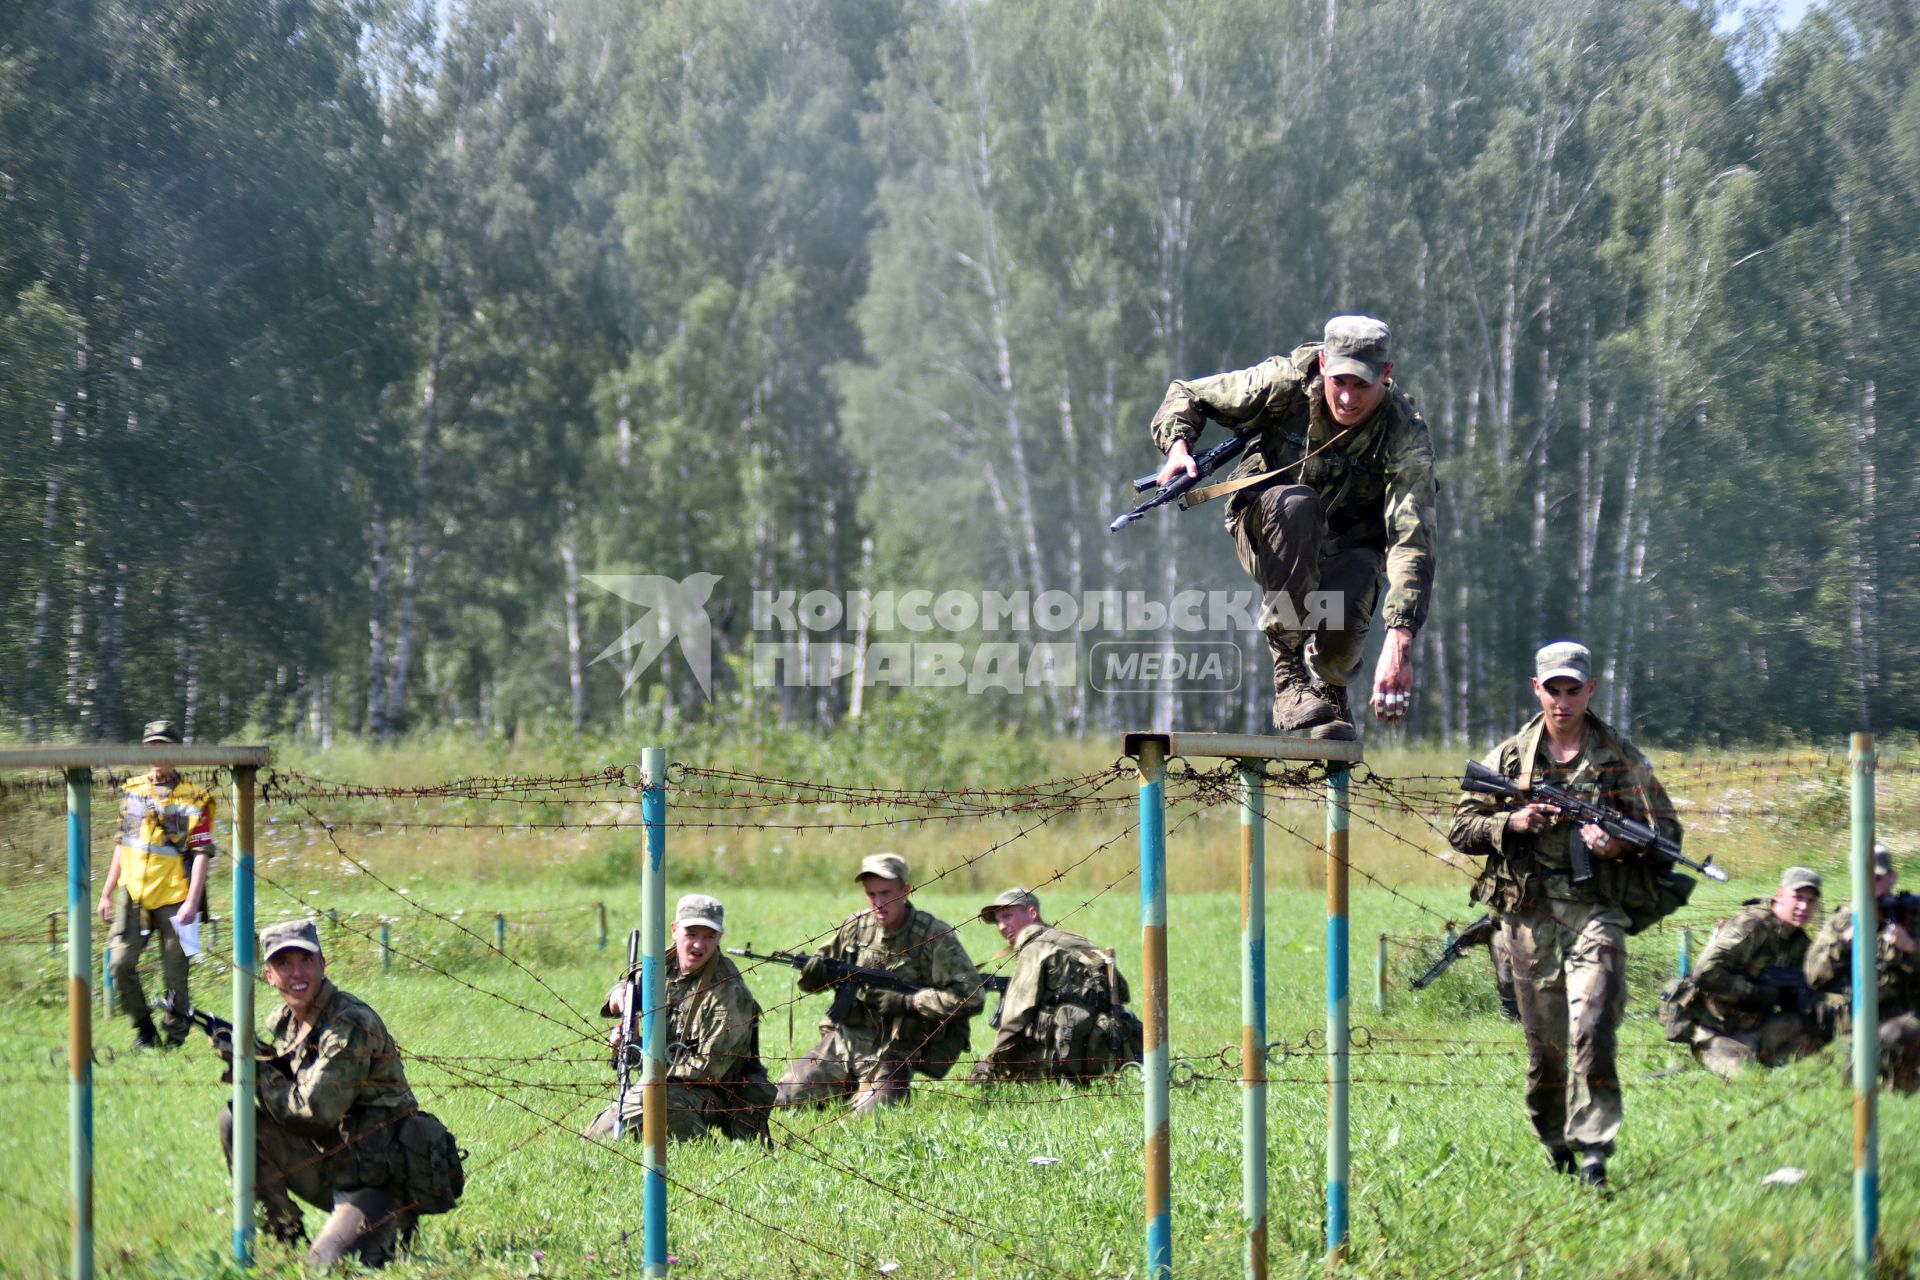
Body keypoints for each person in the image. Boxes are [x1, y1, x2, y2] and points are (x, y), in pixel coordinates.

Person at [1448, 641, 1683, 1189]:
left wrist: (1616, 846)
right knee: (1546, 1052)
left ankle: (1595, 1150)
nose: (1562, 700)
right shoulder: (1511, 758)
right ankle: (1554, 1141)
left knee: (1594, 1029)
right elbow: (1462, 830)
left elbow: (1665, 837)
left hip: (1595, 911)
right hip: (1527, 917)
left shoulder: (1621, 758)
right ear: (1537, 689)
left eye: (1572, 689)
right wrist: (1514, 823)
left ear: (1590, 690)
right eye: (1552, 689)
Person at [1148, 315, 1438, 739]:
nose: (1348, 398)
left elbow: (1412, 537)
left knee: (1360, 576)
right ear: (1322, 363)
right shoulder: (1283, 383)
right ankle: (1288, 678)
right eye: (1340, 380)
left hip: (1345, 550)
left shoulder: (1404, 432)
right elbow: (1187, 394)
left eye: (1363, 385)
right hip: (1269, 529)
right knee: (1298, 505)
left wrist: (1400, 639)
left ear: (1386, 375)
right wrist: (1178, 448)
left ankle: (1330, 688)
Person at [219, 919, 424, 1269]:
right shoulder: (286, 1022)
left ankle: (388, 1231)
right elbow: (293, 1080)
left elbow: (315, 1111)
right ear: (269, 975)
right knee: (236, 1119)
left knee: (321, 1266)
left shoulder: (350, 1023)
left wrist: (254, 1065)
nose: (296, 972)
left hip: (381, 1179)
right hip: (332, 1164)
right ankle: (286, 1233)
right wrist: (251, 1051)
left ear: (323, 964)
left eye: (306, 960)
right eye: (283, 963)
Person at [776, 854, 985, 1112]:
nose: (879, 903)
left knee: (868, 1118)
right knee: (783, 1100)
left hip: (893, 1052)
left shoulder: (933, 936)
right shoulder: (856, 927)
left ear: (906, 891)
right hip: (844, 1042)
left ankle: (878, 1090)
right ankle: (845, 1084)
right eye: (871, 894)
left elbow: (972, 997)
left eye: (886, 893)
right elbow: (819, 975)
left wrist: (910, 1002)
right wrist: (813, 975)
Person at [587, 894, 776, 1142]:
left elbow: (708, 1069)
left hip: (716, 1092)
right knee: (595, 1138)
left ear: (720, 937)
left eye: (709, 936)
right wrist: (620, 1001)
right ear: (675, 930)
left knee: (654, 1101)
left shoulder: (729, 993)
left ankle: (706, 1153)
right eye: (691, 933)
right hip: (663, 1079)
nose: (699, 945)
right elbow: (632, 983)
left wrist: (643, 1055)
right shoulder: (661, 967)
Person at [98, 719, 216, 1049]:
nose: (157, 753)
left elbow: (203, 852)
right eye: (151, 746)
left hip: (176, 897)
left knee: (176, 973)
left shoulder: (197, 798)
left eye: (163, 746)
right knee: (120, 963)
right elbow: (123, 844)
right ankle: (144, 1031)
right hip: (132, 894)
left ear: (176, 751)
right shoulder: (133, 791)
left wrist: (193, 902)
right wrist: (107, 892)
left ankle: (174, 1039)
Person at [1664, 867, 1829, 1077]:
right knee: (1745, 1075)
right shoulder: (1752, 926)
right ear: (1780, 895)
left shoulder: (1800, 943)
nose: (1803, 906)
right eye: (1797, 897)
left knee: (1822, 1028)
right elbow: (1704, 971)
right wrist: (1752, 992)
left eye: (1811, 900)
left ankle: (1771, 1061)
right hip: (1719, 1029)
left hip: (1761, 1027)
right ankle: (1727, 1058)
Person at [966, 888, 1140, 1083]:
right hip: (1108, 1047)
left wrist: (991, 1066)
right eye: (998, 921)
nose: (1001, 926)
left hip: (1072, 1051)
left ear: (1032, 914)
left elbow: (1016, 1017)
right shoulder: (1070, 939)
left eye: (1007, 916)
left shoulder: (1035, 948)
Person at [1804, 846, 1920, 1092]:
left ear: (1892, 877)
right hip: (1858, 1025)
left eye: (1876, 878)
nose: (1870, 885)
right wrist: (1845, 942)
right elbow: (1815, 976)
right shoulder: (1843, 920)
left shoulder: (1912, 914)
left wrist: (1910, 946)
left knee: (1892, 1036)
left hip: (1909, 1016)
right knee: (1855, 1086)